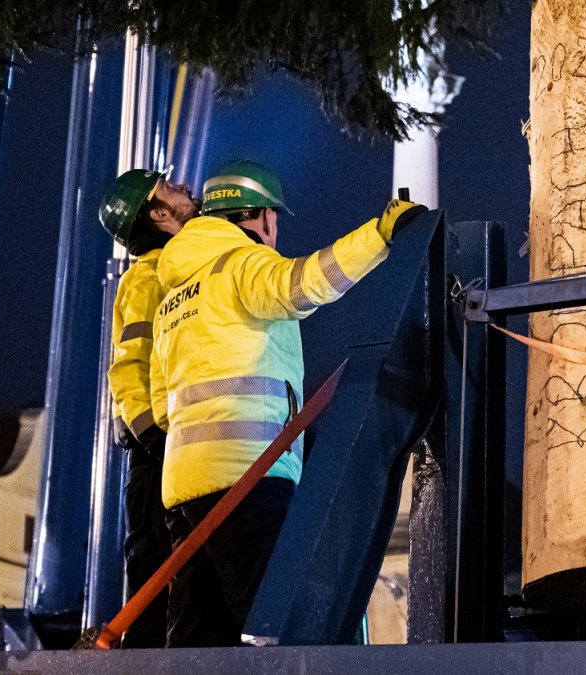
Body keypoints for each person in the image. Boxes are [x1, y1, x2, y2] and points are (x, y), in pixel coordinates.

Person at [148, 159, 425, 647]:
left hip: (182, 488)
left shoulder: (174, 296)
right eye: (274, 218)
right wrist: (380, 235)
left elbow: (160, 402)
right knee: (277, 627)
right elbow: (302, 284)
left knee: (199, 636)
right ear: (260, 217)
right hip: (247, 478)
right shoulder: (238, 264)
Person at [98, 167, 201, 647]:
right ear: (158, 214)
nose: (184, 189)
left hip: (172, 444)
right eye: (170, 189)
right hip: (156, 449)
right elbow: (128, 368)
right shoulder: (148, 277)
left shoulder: (177, 268)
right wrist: (153, 437)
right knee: (155, 569)